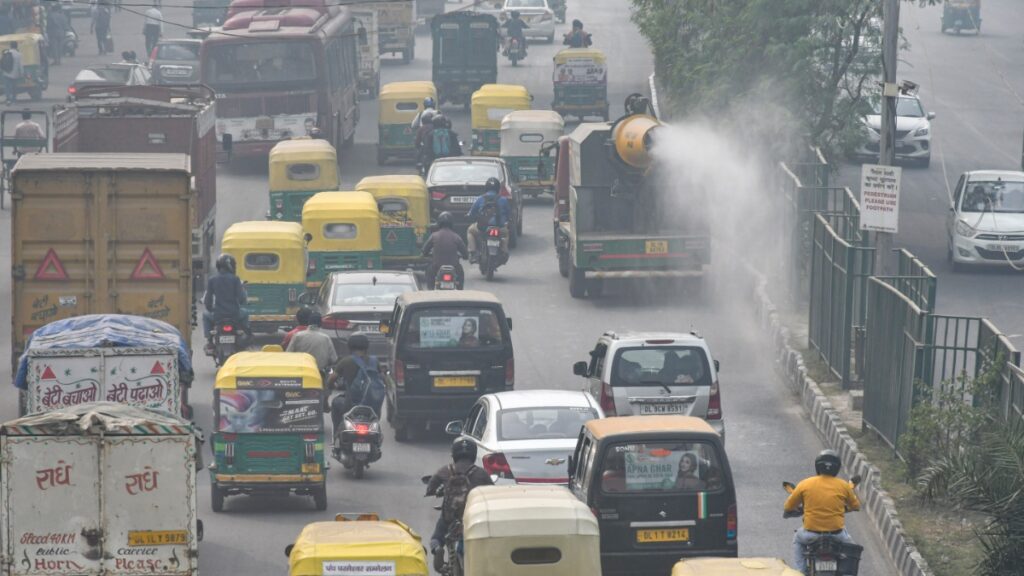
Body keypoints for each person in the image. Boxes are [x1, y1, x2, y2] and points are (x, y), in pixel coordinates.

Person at [783, 450, 860, 574]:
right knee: (851, 550)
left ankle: (800, 572)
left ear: (817, 466)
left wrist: (790, 511)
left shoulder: (805, 484)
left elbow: (788, 506)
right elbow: (856, 505)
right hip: (837, 535)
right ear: (837, 468)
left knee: (797, 539)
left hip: (810, 535)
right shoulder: (844, 485)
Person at [425, 438, 493, 572]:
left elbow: (430, 488)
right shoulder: (481, 473)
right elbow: (492, 492)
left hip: (449, 517)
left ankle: (437, 549)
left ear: (454, 454)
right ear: (473, 454)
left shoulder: (444, 470)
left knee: (436, 537)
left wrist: (437, 491)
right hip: (474, 518)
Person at [326, 333, 382, 430]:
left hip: (350, 406)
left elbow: (331, 379)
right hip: (373, 407)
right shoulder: (375, 361)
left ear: (349, 346)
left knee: (335, 402)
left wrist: (332, 386)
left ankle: (337, 432)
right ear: (367, 346)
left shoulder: (345, 361)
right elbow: (382, 379)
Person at [202, 254, 250, 348]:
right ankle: (244, 334)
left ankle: (209, 340)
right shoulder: (235, 279)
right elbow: (241, 299)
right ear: (230, 265)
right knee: (246, 313)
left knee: (205, 314)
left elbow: (208, 301)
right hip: (234, 315)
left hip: (218, 316)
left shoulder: (212, 280)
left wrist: (211, 309)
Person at [466, 177, 510, 263]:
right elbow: (508, 214)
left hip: (482, 228)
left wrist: (468, 216)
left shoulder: (480, 198)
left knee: (470, 231)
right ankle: (504, 251)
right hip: (499, 228)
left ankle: (473, 252)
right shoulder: (504, 200)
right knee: (506, 233)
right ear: (498, 188)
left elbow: (471, 213)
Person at [422, 211, 468, 288]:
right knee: (461, 274)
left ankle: (429, 292)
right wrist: (465, 256)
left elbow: (424, 250)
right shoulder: (456, 237)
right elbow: (465, 254)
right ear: (451, 224)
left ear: (439, 223)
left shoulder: (434, 236)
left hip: (436, 267)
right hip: (454, 267)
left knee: (429, 272)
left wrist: (425, 253)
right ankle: (460, 292)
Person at [2, 41, 23, 105]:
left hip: (6, 73)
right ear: (16, 46)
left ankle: (8, 98)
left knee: (7, 87)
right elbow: (20, 65)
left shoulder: (6, 52)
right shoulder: (18, 54)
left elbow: (2, 62)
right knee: (14, 87)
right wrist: (22, 73)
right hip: (15, 74)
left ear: (10, 46)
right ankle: (14, 99)